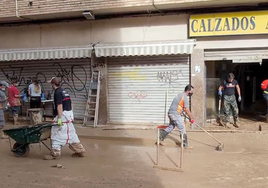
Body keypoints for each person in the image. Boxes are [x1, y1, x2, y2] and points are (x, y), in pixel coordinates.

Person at [44, 77, 85, 160]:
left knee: (56, 133)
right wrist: (71, 114)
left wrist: (59, 118)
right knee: (71, 133)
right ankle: (79, 150)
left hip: (63, 115)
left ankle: (55, 153)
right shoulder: (64, 91)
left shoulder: (57, 93)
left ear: (53, 84)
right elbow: (71, 102)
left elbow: (59, 106)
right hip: (68, 115)